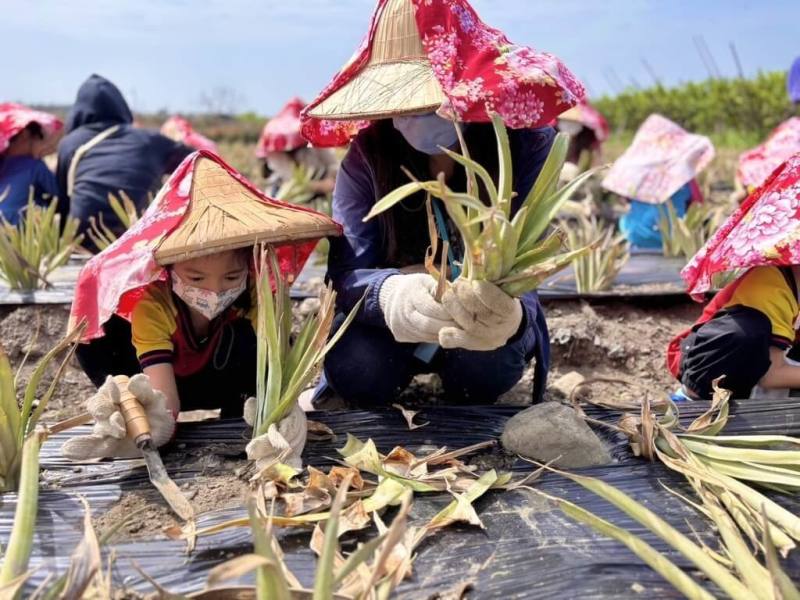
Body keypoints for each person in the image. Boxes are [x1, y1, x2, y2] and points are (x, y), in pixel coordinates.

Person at [300, 0, 585, 407]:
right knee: (358, 371)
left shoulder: (522, 146)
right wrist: (393, 293)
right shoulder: (368, 156)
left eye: (433, 101)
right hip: (392, 323)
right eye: (404, 105)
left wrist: (510, 312)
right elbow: (346, 271)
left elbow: (527, 254)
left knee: (484, 372)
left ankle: (479, 359)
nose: (418, 115)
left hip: (483, 315)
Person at [62, 150, 340, 465]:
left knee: (268, 342)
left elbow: (275, 365)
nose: (215, 289)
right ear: (167, 268)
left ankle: (237, 423)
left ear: (250, 269)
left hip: (222, 381)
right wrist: (155, 426)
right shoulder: (154, 305)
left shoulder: (256, 295)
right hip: (167, 379)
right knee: (104, 350)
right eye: (195, 277)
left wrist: (282, 409)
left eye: (232, 276)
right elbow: (166, 402)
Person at [667, 151, 800, 400]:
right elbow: (771, 375)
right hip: (720, 362)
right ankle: (690, 398)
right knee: (746, 334)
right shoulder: (770, 284)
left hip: (774, 359)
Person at [56, 74, 193, 247]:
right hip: (138, 238)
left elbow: (63, 203)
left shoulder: (70, 143)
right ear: (121, 107)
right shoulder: (151, 140)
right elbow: (197, 161)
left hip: (84, 240)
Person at [602, 114, 714, 251]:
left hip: (635, 234)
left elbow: (626, 199)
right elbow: (697, 205)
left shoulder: (635, 171)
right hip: (673, 240)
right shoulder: (684, 176)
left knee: (627, 220)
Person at [256, 97, 337, 198]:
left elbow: (332, 164)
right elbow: (292, 181)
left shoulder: (314, 141)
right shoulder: (275, 153)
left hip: (322, 189)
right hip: (288, 193)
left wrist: (330, 179)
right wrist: (321, 186)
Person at [0, 103, 63, 224]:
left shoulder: (3, 164)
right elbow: (59, 193)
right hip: (18, 227)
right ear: (26, 135)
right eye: (40, 140)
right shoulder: (34, 166)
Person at [736, 117, 800, 196]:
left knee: (746, 162)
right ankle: (746, 192)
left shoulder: (791, 123)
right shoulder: (792, 124)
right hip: (777, 160)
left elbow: (770, 142)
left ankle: (745, 192)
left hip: (774, 159)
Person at [556, 101, 609, 180]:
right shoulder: (554, 134)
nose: (569, 126)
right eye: (566, 122)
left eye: (573, 123)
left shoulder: (584, 138)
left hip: (572, 169)